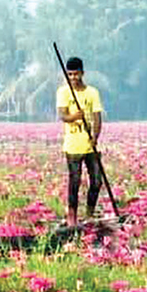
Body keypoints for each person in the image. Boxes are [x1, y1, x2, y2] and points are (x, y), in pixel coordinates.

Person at [56, 56, 104, 227]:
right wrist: (74, 117)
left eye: (76, 74)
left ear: (82, 73)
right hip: (72, 146)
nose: (74, 78)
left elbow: (98, 117)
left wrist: (95, 137)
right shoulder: (63, 92)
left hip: (90, 146)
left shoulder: (92, 92)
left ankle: (89, 214)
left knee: (97, 181)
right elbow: (62, 115)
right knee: (74, 181)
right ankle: (72, 218)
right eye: (70, 74)